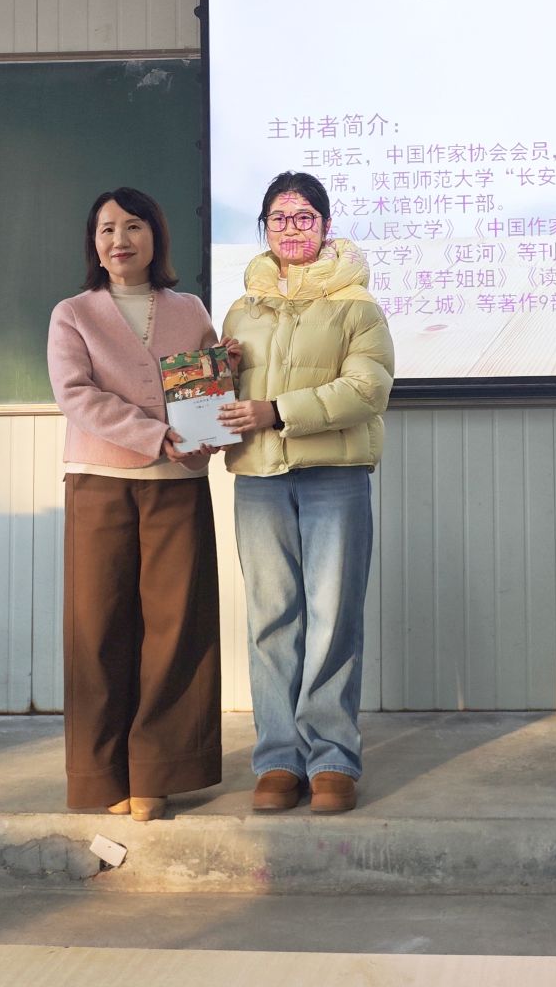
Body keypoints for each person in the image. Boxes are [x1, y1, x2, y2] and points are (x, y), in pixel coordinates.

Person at [217, 172, 394, 815]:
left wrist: (277, 411)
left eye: (304, 216)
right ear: (264, 227)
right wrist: (217, 381)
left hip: (334, 476)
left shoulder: (358, 306)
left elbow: (368, 389)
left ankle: (332, 761)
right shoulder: (242, 309)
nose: (292, 228)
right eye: (279, 217)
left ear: (325, 225)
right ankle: (277, 760)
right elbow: (227, 399)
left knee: (332, 618)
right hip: (259, 478)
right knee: (271, 620)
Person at [46, 187, 221, 821]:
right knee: (97, 629)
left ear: (156, 237)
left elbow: (205, 391)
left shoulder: (189, 309)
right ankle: (100, 773)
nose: (120, 239)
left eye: (134, 226)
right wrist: (155, 434)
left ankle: (158, 772)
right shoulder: (73, 313)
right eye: (107, 229)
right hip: (98, 481)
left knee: (176, 629)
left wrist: (220, 385)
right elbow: (75, 395)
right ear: (94, 244)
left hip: (177, 483)